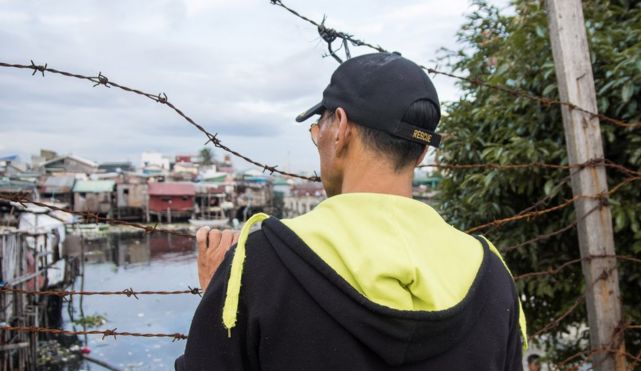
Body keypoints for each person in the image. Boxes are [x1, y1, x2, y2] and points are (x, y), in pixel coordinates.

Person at [176, 52, 527, 370]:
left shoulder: (259, 267)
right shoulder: (492, 276)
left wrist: (222, 308)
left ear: (340, 128)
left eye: (317, 130)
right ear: (421, 153)